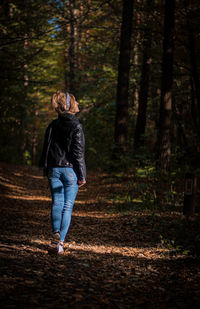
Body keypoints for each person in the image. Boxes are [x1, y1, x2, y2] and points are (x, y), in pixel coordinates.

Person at [39, 90, 86, 254]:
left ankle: (55, 234)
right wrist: (82, 175)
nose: (78, 104)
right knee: (67, 206)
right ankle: (60, 243)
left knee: (57, 203)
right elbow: (78, 153)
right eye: (76, 101)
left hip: (53, 169)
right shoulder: (76, 126)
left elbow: (46, 148)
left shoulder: (52, 125)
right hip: (70, 171)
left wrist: (46, 167)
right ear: (69, 105)